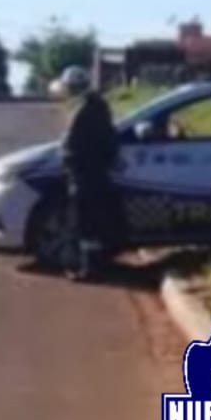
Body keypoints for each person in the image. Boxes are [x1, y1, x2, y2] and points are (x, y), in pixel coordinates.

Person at [59, 66, 122, 279]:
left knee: (87, 223)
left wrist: (69, 159)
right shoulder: (92, 106)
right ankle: (88, 265)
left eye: (69, 87)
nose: (68, 91)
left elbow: (80, 143)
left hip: (87, 173)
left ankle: (90, 268)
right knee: (86, 222)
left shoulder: (90, 109)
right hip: (88, 171)